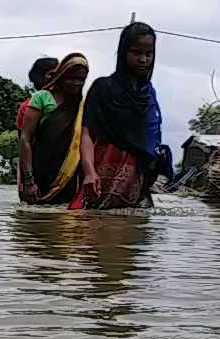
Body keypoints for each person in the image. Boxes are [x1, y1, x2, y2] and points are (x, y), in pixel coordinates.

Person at [71, 22, 163, 210]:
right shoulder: (103, 88)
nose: (144, 59)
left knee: (131, 230)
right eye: (137, 53)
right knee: (92, 228)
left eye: (149, 54)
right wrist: (89, 172)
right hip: (102, 172)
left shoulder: (149, 95)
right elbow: (86, 133)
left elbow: (151, 139)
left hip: (136, 177)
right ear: (123, 52)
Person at [17, 53, 89, 205]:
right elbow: (25, 139)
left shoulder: (81, 106)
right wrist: (29, 181)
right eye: (71, 78)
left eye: (81, 80)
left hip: (68, 175)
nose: (77, 83)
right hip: (39, 171)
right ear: (61, 75)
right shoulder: (41, 97)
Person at [15, 57, 59, 190]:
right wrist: (27, 180)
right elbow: (23, 142)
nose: (57, 78)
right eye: (51, 74)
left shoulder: (70, 104)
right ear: (39, 77)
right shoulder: (28, 107)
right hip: (38, 167)